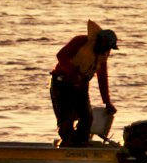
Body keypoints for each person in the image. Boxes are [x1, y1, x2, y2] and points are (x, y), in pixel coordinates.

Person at [49, 20, 118, 148]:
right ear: (100, 40)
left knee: (87, 116)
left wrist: (107, 102)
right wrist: (73, 73)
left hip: (81, 86)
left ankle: (81, 143)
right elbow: (61, 55)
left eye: (109, 48)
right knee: (65, 117)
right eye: (106, 46)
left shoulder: (103, 55)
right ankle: (67, 143)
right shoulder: (80, 41)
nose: (107, 50)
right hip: (61, 83)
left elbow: (102, 77)